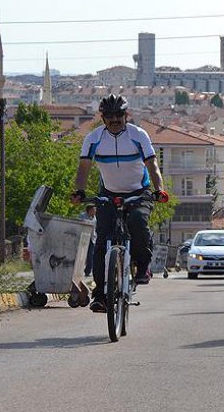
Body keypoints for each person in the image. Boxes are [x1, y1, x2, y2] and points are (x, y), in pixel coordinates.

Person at [70, 94, 169, 313]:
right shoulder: (94, 138)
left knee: (137, 222)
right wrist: (79, 191)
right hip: (108, 193)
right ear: (103, 118)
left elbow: (153, 166)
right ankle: (100, 295)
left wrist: (159, 190)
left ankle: (142, 266)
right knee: (101, 241)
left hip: (138, 191)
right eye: (109, 116)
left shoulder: (138, 135)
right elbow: (83, 168)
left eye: (119, 115)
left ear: (126, 115)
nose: (114, 120)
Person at [78, 204, 97, 277]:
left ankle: (88, 271)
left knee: (90, 255)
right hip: (84, 237)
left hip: (92, 238)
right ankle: (78, 270)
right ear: (89, 210)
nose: (95, 211)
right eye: (94, 209)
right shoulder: (82, 216)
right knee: (81, 254)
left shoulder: (95, 217)